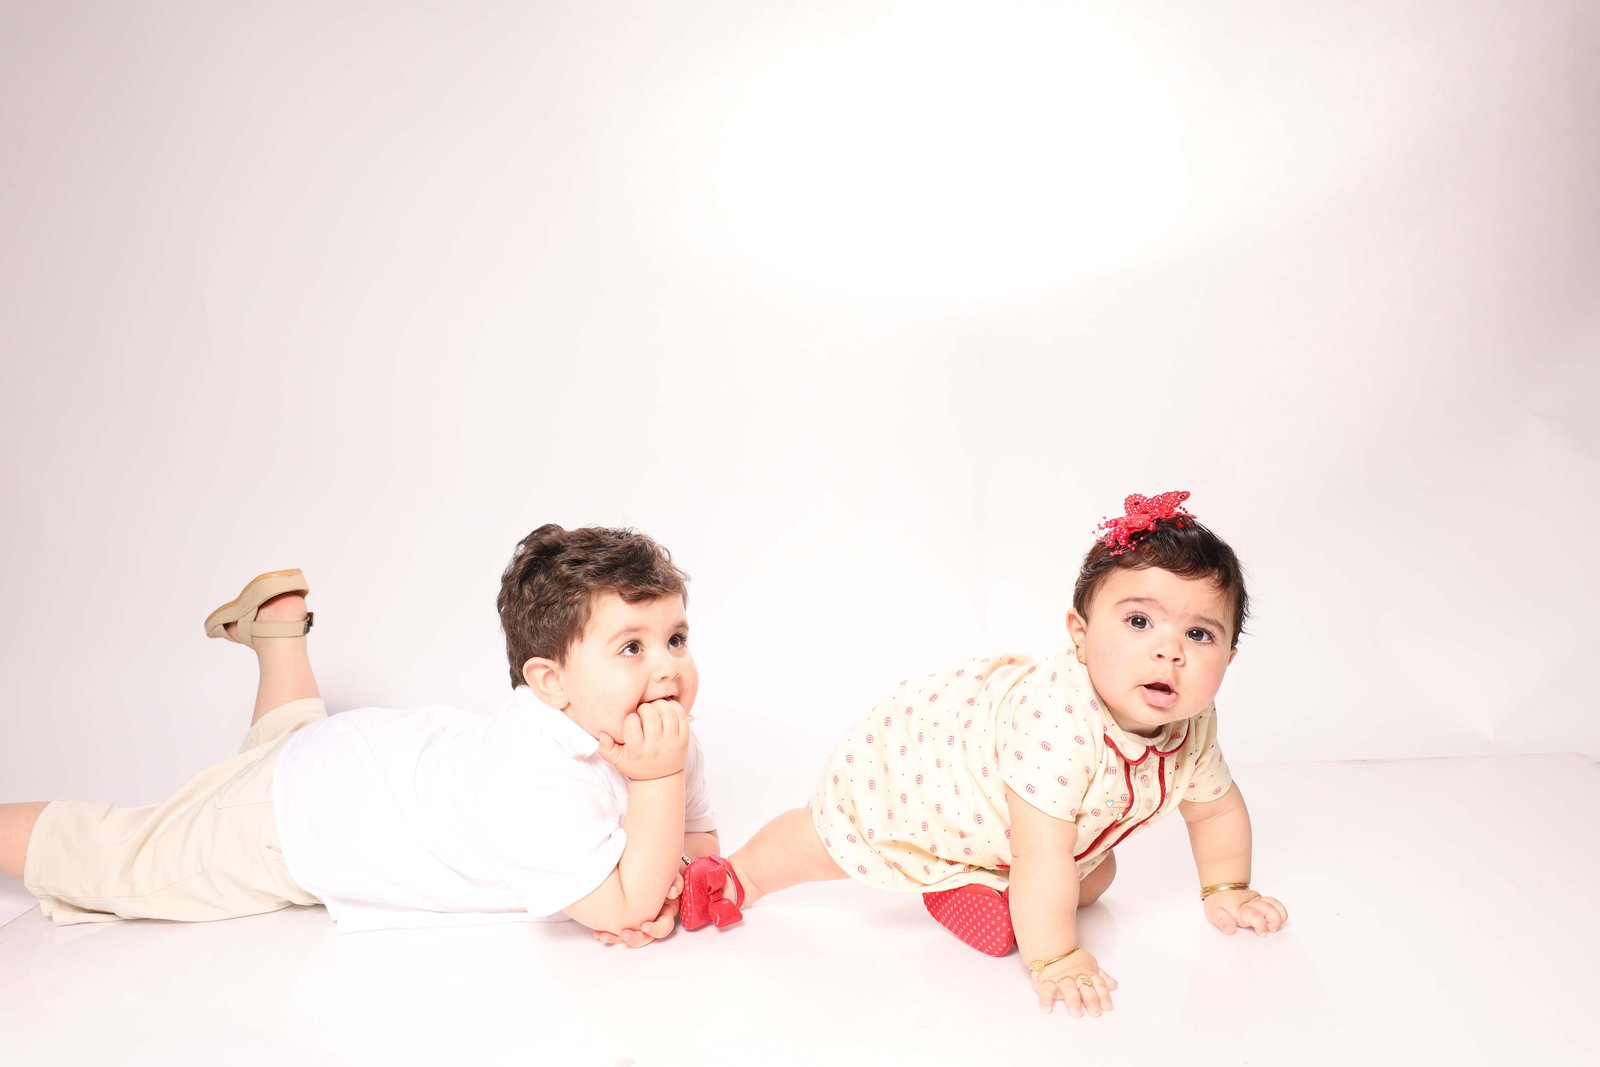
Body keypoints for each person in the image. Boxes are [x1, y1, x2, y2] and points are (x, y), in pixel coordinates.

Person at [676, 492, 1288, 1014]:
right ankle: (741, 875)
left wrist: (1226, 888)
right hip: (929, 772)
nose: (1170, 651)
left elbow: (1214, 809)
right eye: (1138, 622)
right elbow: (1042, 852)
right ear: (1080, 635)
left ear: (1229, 658)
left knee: (1095, 877)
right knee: (835, 837)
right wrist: (1056, 958)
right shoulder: (1059, 722)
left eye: (1199, 634)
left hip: (1022, 829)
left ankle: (975, 887)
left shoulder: (1192, 725)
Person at [0, 525, 716, 944]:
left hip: (351, 765)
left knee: (286, 747)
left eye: (676, 638)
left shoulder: (662, 730)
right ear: (550, 681)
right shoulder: (536, 774)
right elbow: (627, 905)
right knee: (120, 861)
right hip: (295, 822)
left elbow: (695, 846)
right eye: (632, 647)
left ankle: (279, 633)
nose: (667, 668)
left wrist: (676, 878)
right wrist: (655, 806)